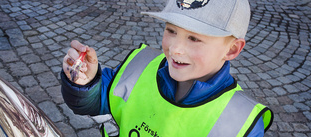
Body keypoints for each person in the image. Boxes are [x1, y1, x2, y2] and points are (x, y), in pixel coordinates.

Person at [61, 0, 273, 136]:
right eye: (171, 30)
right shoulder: (140, 65)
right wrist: (86, 83)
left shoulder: (240, 123)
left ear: (232, 50)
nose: (175, 49)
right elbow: (96, 101)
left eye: (194, 38)